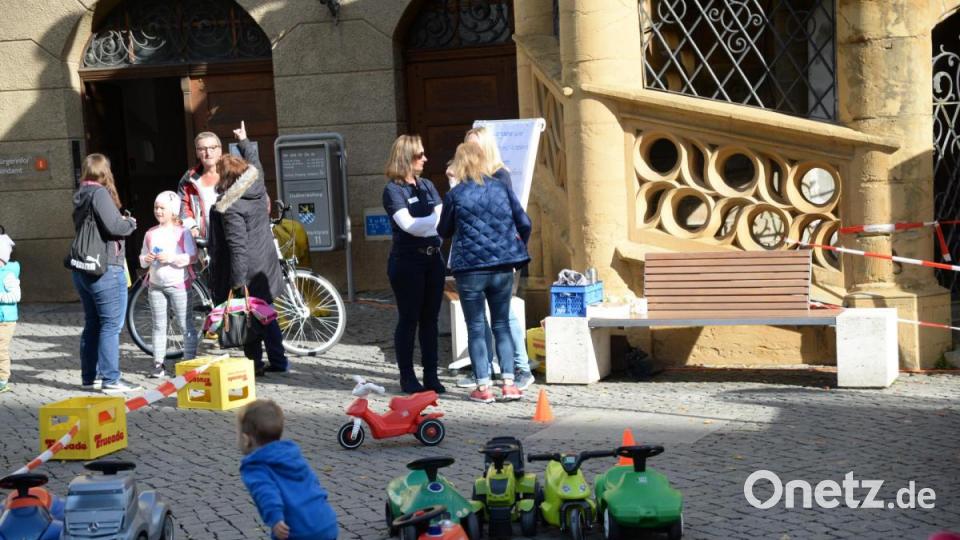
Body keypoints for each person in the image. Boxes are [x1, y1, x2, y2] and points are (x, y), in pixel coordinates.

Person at [438, 142, 531, 403]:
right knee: (502, 323)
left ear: (460, 164)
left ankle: (483, 386)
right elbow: (524, 222)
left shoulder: (456, 195)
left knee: (477, 326)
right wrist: (515, 246)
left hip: (470, 270)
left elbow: (443, 230)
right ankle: (510, 384)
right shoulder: (501, 187)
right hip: (503, 266)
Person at [208, 147, 288, 375]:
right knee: (266, 313)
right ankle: (279, 361)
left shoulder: (231, 205)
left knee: (248, 315)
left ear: (227, 178)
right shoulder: (257, 189)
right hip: (266, 261)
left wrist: (237, 281)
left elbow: (237, 247)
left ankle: (255, 364)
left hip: (248, 268)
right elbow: (256, 165)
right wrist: (244, 142)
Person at [71, 154, 142, 394]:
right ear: (105, 172)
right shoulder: (99, 193)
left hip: (83, 269)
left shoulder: (81, 193)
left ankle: (89, 377)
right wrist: (130, 223)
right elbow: (114, 227)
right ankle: (111, 379)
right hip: (105, 268)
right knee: (111, 325)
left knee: (93, 323)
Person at [382, 135, 446, 394]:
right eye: (420, 155)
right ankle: (407, 376)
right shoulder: (393, 190)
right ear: (406, 158)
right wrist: (431, 221)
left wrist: (429, 222)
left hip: (433, 260)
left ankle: (431, 374)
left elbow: (442, 221)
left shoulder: (427, 185)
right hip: (407, 262)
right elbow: (408, 226)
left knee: (430, 320)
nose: (425, 159)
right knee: (409, 319)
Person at [238, 399, 338, 540]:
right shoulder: (292, 454)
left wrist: (276, 519)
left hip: (298, 531)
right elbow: (313, 482)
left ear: (246, 439)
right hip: (326, 521)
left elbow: (265, 492)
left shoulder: (255, 465)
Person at [138, 191, 198, 378]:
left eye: (162, 207)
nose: (158, 211)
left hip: (179, 284)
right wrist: (146, 259)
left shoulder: (183, 233)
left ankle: (188, 362)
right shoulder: (150, 233)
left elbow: (192, 256)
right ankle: (158, 364)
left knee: (184, 324)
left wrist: (172, 258)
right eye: (156, 207)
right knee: (158, 325)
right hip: (155, 285)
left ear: (173, 211)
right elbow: (141, 259)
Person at [0, 231, 19, 394]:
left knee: (1, 349)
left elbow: (15, 296)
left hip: (6, 320)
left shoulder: (8, 275)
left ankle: (2, 379)